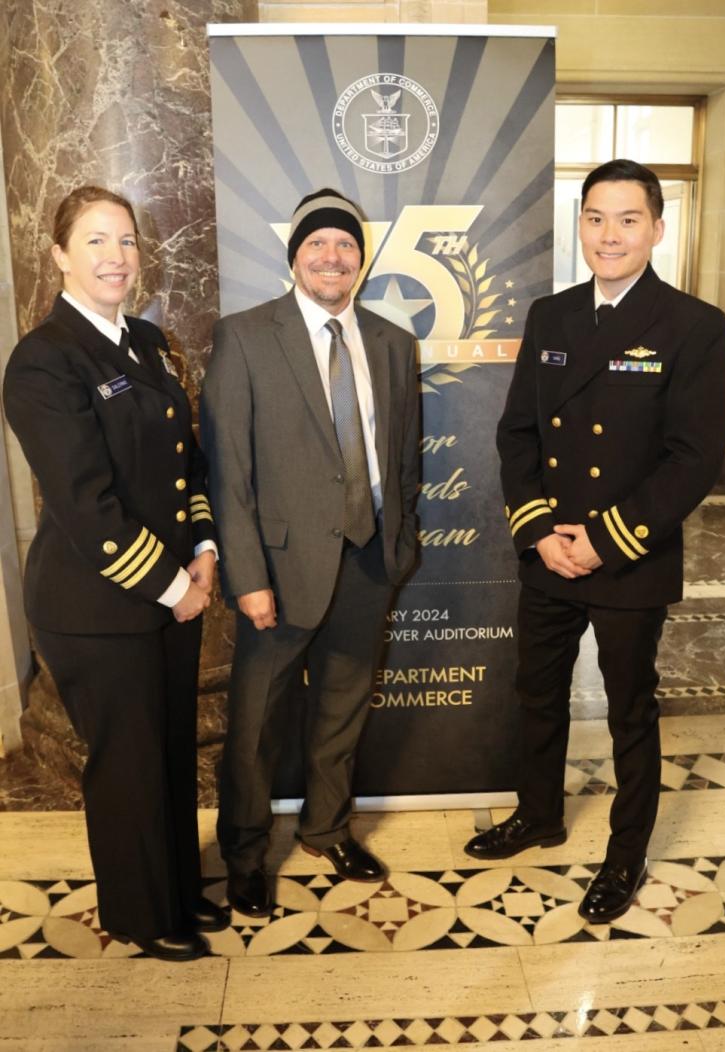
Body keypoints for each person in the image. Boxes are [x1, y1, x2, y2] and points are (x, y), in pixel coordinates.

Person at [465, 159, 725, 923]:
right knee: (537, 695)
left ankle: (624, 855)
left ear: (656, 226)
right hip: (549, 553)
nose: (608, 234)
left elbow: (693, 459)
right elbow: (517, 433)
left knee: (628, 710)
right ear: (578, 224)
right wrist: (542, 532)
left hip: (629, 558)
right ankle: (539, 815)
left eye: (625, 219)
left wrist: (605, 542)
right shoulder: (550, 315)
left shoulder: (693, 326)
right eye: (594, 218)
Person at [2, 185, 226, 961]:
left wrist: (204, 551)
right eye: (96, 241)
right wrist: (178, 587)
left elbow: (187, 468)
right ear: (60, 253)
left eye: (126, 241)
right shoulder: (43, 360)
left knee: (165, 745)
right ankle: (141, 914)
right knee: (127, 761)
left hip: (171, 592)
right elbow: (86, 504)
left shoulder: (150, 344)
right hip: (97, 603)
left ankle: (175, 888)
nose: (116, 257)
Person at [200, 188, 419, 916]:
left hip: (367, 561)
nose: (332, 257)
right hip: (279, 573)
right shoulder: (246, 336)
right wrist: (247, 577)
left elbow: (404, 455)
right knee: (258, 723)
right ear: (295, 256)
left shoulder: (392, 341)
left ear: (362, 258)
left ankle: (327, 828)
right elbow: (227, 470)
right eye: (318, 245)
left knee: (341, 709)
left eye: (346, 246)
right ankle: (247, 854)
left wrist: (399, 542)